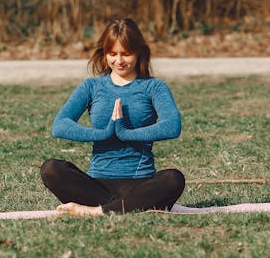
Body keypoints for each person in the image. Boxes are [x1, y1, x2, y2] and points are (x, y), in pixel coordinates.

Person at [40, 18, 185, 216]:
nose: (119, 61)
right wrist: (105, 132)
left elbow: (172, 126)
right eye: (113, 54)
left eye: (126, 54)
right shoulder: (92, 87)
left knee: (174, 179)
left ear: (139, 52)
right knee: (51, 168)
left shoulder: (154, 87)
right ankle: (123, 207)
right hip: (97, 187)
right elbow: (60, 125)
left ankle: (96, 211)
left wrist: (126, 133)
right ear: (104, 53)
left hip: (140, 184)